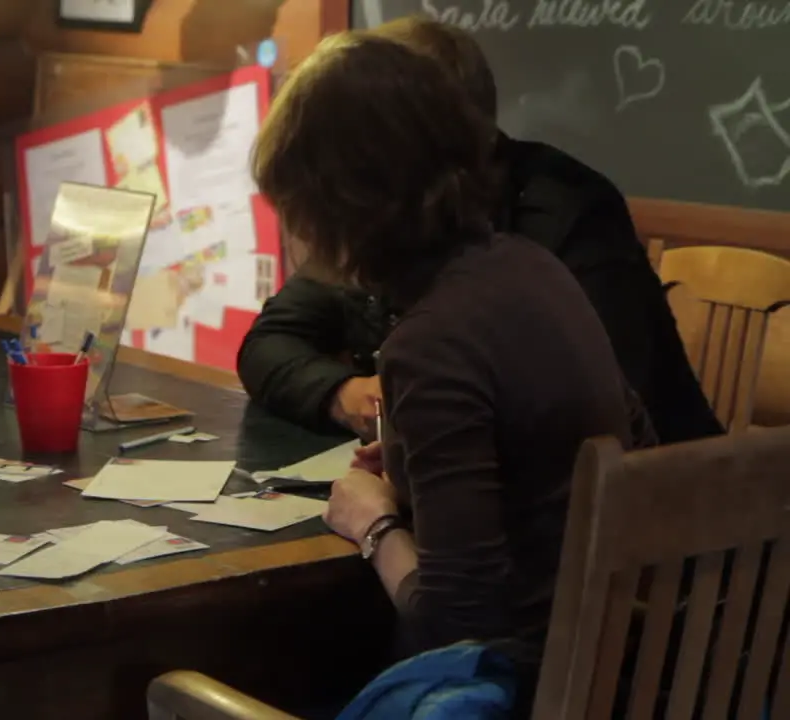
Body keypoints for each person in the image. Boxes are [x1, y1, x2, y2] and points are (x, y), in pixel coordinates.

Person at [249, 31, 655, 711]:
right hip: (617, 672)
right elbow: (630, 433)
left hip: (524, 690)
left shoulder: (430, 341)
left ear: (340, 202)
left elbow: (455, 623)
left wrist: (375, 522)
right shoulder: (532, 266)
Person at [237, 16, 722, 445]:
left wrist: (381, 519)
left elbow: (587, 415)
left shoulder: (556, 219)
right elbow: (266, 344)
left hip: (660, 514)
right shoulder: (381, 223)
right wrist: (346, 394)